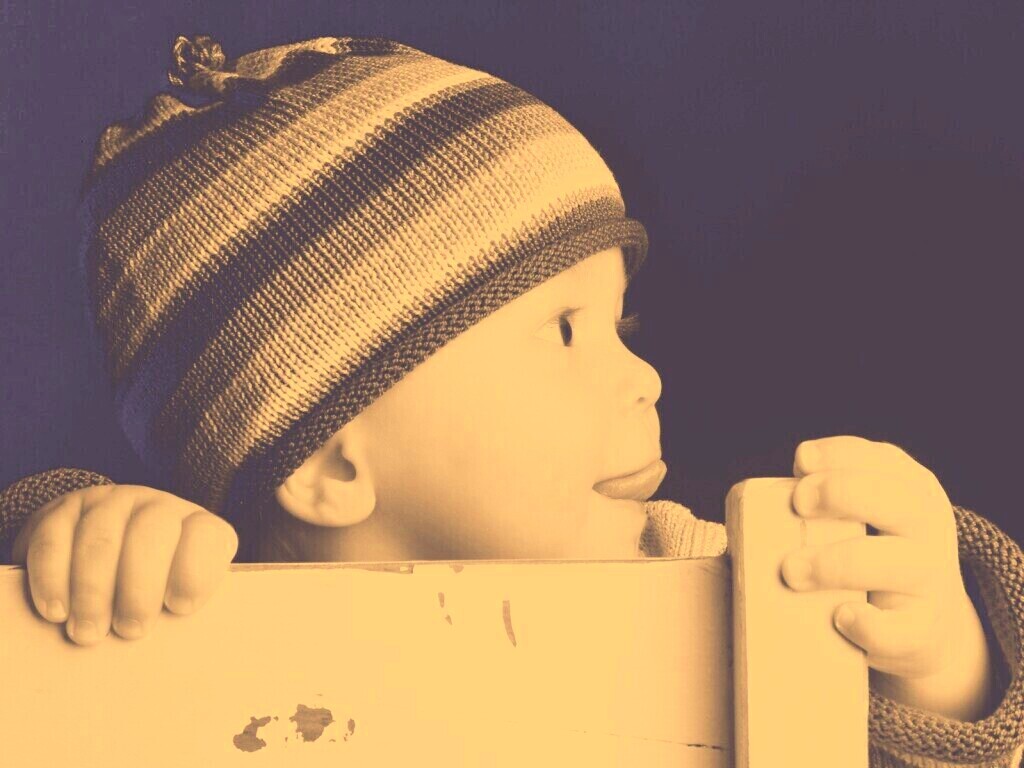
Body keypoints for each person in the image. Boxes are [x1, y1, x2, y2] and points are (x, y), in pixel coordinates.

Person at [0, 34, 1021, 766]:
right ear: (331, 461)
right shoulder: (194, 617)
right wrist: (73, 541)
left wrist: (935, 660)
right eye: (565, 330)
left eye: (622, 327)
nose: (646, 378)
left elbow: (873, 730)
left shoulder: (708, 576)